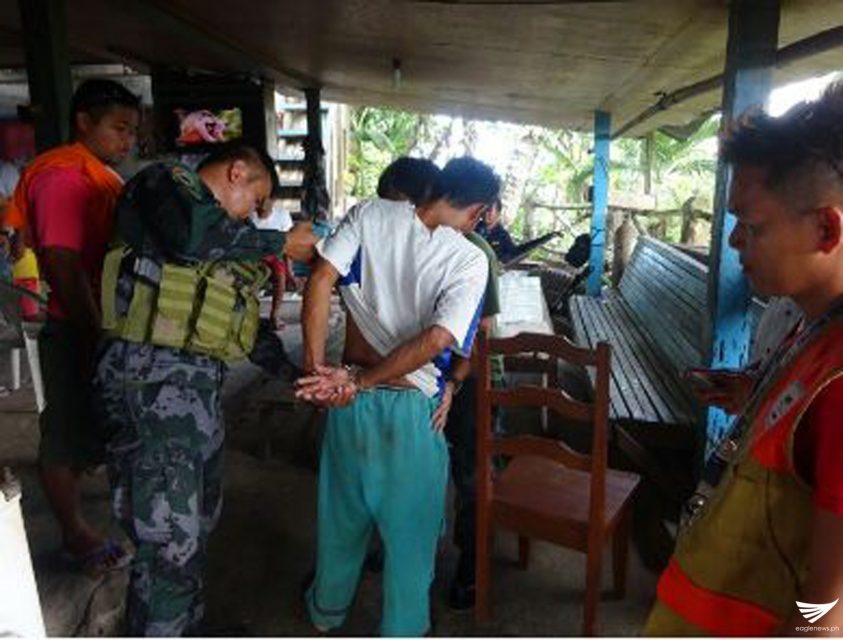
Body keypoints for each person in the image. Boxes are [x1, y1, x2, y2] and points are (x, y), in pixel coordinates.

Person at [93, 141, 318, 636]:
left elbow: (242, 327)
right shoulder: (164, 184)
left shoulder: (224, 242)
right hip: (148, 388)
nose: (252, 215)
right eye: (255, 200)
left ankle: (183, 626)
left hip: (196, 399)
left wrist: (296, 374)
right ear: (237, 172)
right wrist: (279, 242)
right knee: (168, 541)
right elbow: (189, 236)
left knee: (194, 529)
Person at [644, 83, 843, 636]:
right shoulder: (810, 329)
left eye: (752, 226)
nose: (734, 241)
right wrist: (753, 397)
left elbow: (829, 609)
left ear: (826, 229)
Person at [296, 156, 499, 636]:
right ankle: (403, 629)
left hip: (347, 402)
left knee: (340, 523)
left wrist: (318, 372)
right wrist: (443, 384)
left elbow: (320, 279)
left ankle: (326, 612)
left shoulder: (369, 213)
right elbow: (440, 339)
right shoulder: (470, 258)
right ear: (477, 211)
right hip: (411, 412)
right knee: (411, 541)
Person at [2, 79, 141, 574]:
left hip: (103, 322)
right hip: (78, 325)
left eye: (132, 132)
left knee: (93, 423)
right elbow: (63, 263)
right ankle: (75, 535)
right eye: (119, 128)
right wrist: (96, 334)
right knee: (62, 433)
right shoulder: (63, 177)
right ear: (84, 121)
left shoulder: (96, 175)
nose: (128, 141)